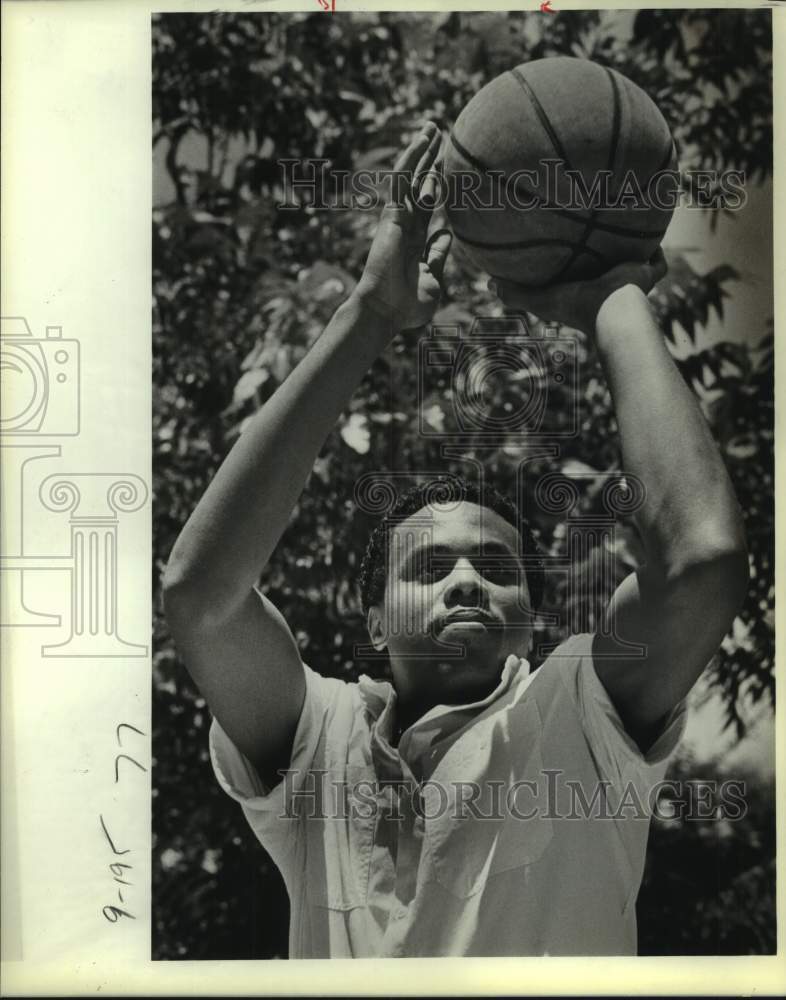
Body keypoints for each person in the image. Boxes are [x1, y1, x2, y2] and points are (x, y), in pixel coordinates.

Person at [163, 121, 748, 957]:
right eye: (431, 566)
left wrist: (612, 296)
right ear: (373, 623)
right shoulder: (317, 739)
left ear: (530, 619)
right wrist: (370, 313)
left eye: (499, 568)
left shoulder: (580, 713)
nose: (469, 580)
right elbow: (200, 596)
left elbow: (702, 561)